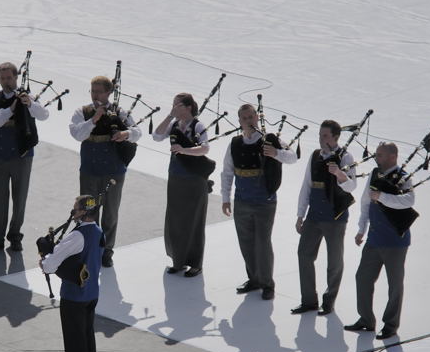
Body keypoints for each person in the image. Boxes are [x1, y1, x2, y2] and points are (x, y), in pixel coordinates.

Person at [220, 103, 298, 300]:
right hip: (242, 200)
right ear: (239, 121)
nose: (249, 121)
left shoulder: (270, 139)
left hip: (264, 201)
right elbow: (227, 172)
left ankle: (267, 283)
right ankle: (254, 278)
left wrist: (276, 153)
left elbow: (292, 157)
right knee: (246, 242)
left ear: (257, 117)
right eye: (244, 118)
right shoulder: (235, 143)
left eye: (251, 117)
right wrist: (225, 198)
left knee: (262, 242)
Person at [345, 142, 415, 341]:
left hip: (395, 242)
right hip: (374, 239)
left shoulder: (403, 177)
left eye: (381, 155)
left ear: (393, 156)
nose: (377, 158)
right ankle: (366, 319)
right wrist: (361, 229)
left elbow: (409, 201)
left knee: (394, 285)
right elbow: (366, 202)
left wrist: (382, 196)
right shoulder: (374, 173)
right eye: (377, 154)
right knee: (363, 278)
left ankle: (391, 325)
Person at [68, 75, 140, 267]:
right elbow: (77, 134)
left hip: (113, 172)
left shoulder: (120, 112)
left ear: (109, 92)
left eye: (99, 91)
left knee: (110, 212)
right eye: (93, 91)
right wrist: (94, 119)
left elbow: (137, 132)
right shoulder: (82, 111)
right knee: (88, 209)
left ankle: (106, 250)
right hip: (90, 171)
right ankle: (88, 247)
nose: (95, 95)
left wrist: (126, 133)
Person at [40, 195, 105, 352]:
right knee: (87, 342)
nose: (73, 211)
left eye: (75, 209)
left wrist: (45, 257)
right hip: (92, 293)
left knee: (75, 344)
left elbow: (49, 266)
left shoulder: (76, 236)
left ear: (83, 212)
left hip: (74, 297)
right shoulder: (98, 231)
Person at [0, 61, 49, 253]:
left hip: (22, 155)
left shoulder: (27, 96)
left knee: (20, 198)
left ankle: (15, 236)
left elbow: (44, 114)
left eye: (9, 78)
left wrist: (30, 104)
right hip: (0, 155)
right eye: (2, 78)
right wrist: (10, 110)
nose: (6, 82)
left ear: (16, 77)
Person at [292, 120, 357, 315]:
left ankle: (329, 301)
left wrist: (339, 174)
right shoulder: (314, 156)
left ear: (336, 138)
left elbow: (352, 186)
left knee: (334, 261)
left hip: (335, 217)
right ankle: (309, 300)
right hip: (314, 215)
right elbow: (307, 186)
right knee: (304, 254)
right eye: (320, 135)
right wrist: (300, 214)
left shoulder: (346, 157)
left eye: (325, 136)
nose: (321, 139)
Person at [151, 93, 211, 277]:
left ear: (187, 107)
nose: (174, 108)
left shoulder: (197, 125)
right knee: (175, 219)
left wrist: (183, 150)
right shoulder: (174, 124)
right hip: (176, 177)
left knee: (193, 221)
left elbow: (205, 148)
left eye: (177, 105)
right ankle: (178, 261)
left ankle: (195, 263)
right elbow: (157, 136)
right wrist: (169, 115)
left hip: (194, 179)